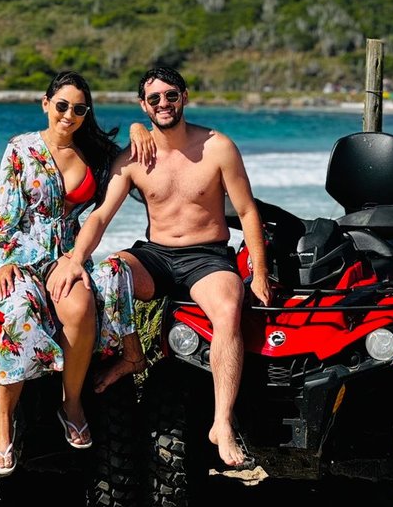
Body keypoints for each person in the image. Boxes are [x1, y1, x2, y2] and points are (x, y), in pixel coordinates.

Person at [49, 65, 271, 469]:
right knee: (109, 272)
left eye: (171, 95)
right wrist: (75, 259)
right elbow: (100, 216)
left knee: (228, 309)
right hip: (156, 256)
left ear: (184, 97)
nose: (163, 103)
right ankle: (132, 356)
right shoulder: (134, 157)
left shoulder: (218, 147)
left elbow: (247, 211)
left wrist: (260, 273)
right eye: (154, 98)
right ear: (143, 105)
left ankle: (222, 423)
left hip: (207, 257)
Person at [0, 70, 148, 476]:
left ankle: (70, 401)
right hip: (17, 255)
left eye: (79, 109)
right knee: (22, 310)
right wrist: (5, 258)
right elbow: (4, 218)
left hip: (66, 257)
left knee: (81, 306)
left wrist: (138, 126)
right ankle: (3, 420)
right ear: (46, 104)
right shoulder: (21, 149)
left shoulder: (92, 152)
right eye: (62, 106)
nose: (69, 115)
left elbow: (133, 162)